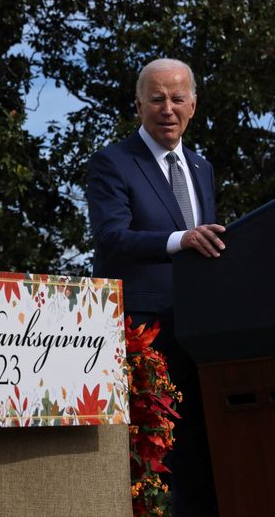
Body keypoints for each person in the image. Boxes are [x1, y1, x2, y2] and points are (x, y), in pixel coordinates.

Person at [86, 58, 225, 516]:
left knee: (200, 453)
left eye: (177, 98)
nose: (168, 108)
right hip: (143, 333)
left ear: (193, 104)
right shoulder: (113, 163)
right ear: (139, 104)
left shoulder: (202, 168)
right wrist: (179, 240)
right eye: (157, 98)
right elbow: (111, 239)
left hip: (200, 331)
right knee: (153, 458)